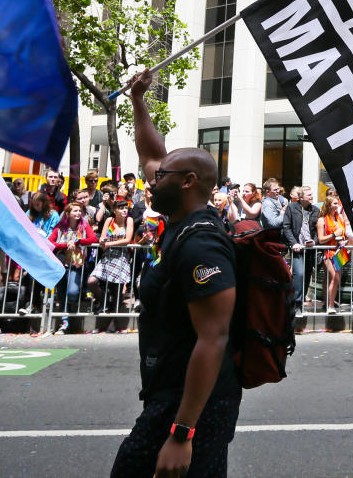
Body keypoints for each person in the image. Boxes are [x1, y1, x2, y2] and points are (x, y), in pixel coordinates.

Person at [112, 69, 241, 478]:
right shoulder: (180, 220)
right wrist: (137, 100)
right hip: (171, 394)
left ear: (188, 182)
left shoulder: (201, 242)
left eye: (161, 177)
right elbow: (152, 155)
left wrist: (182, 433)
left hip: (190, 405)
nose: (150, 179)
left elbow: (213, 336)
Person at [48, 201, 96, 334]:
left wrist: (77, 242)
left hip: (76, 262)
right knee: (62, 293)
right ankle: (65, 322)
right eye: (75, 211)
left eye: (80, 211)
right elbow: (51, 242)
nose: (78, 213)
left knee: (72, 292)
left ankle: (71, 307)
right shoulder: (60, 226)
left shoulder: (84, 225)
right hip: (61, 262)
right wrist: (65, 245)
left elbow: (93, 239)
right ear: (68, 214)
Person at [88, 199, 135, 322]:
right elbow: (102, 238)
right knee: (91, 281)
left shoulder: (128, 220)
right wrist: (104, 242)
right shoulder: (110, 220)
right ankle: (104, 300)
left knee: (117, 290)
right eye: (121, 208)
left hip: (122, 256)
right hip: (107, 255)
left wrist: (110, 243)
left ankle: (114, 321)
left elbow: (127, 240)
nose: (125, 210)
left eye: (126, 208)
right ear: (115, 210)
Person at [282, 186, 320, 313]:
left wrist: (315, 241)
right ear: (301, 197)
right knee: (299, 274)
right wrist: (294, 243)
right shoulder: (292, 208)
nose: (312, 196)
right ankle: (296, 304)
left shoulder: (315, 210)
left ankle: (301, 300)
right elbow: (286, 227)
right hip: (298, 249)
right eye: (309, 194)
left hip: (310, 249)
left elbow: (317, 230)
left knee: (307, 275)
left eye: (311, 194)